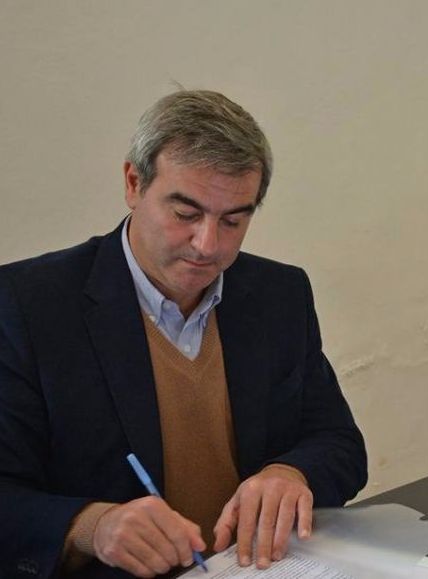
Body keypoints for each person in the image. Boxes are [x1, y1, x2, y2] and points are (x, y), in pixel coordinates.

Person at [0, 90, 367, 578]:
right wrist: (92, 525)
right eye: (186, 214)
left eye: (234, 220)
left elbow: (339, 441)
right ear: (134, 183)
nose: (207, 245)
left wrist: (291, 473)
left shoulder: (279, 294)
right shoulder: (28, 304)